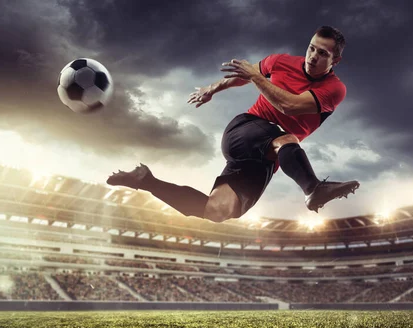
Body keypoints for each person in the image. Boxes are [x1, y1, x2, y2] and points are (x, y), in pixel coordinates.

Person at [107, 25, 359, 223]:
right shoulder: (280, 61)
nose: (313, 56)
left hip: (268, 157)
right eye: (312, 48)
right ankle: (313, 188)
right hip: (246, 130)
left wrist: (256, 77)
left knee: (216, 211)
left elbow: (290, 106)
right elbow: (242, 77)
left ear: (335, 61)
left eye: (322, 53)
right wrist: (212, 89)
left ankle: (145, 180)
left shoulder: (335, 89)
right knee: (286, 138)